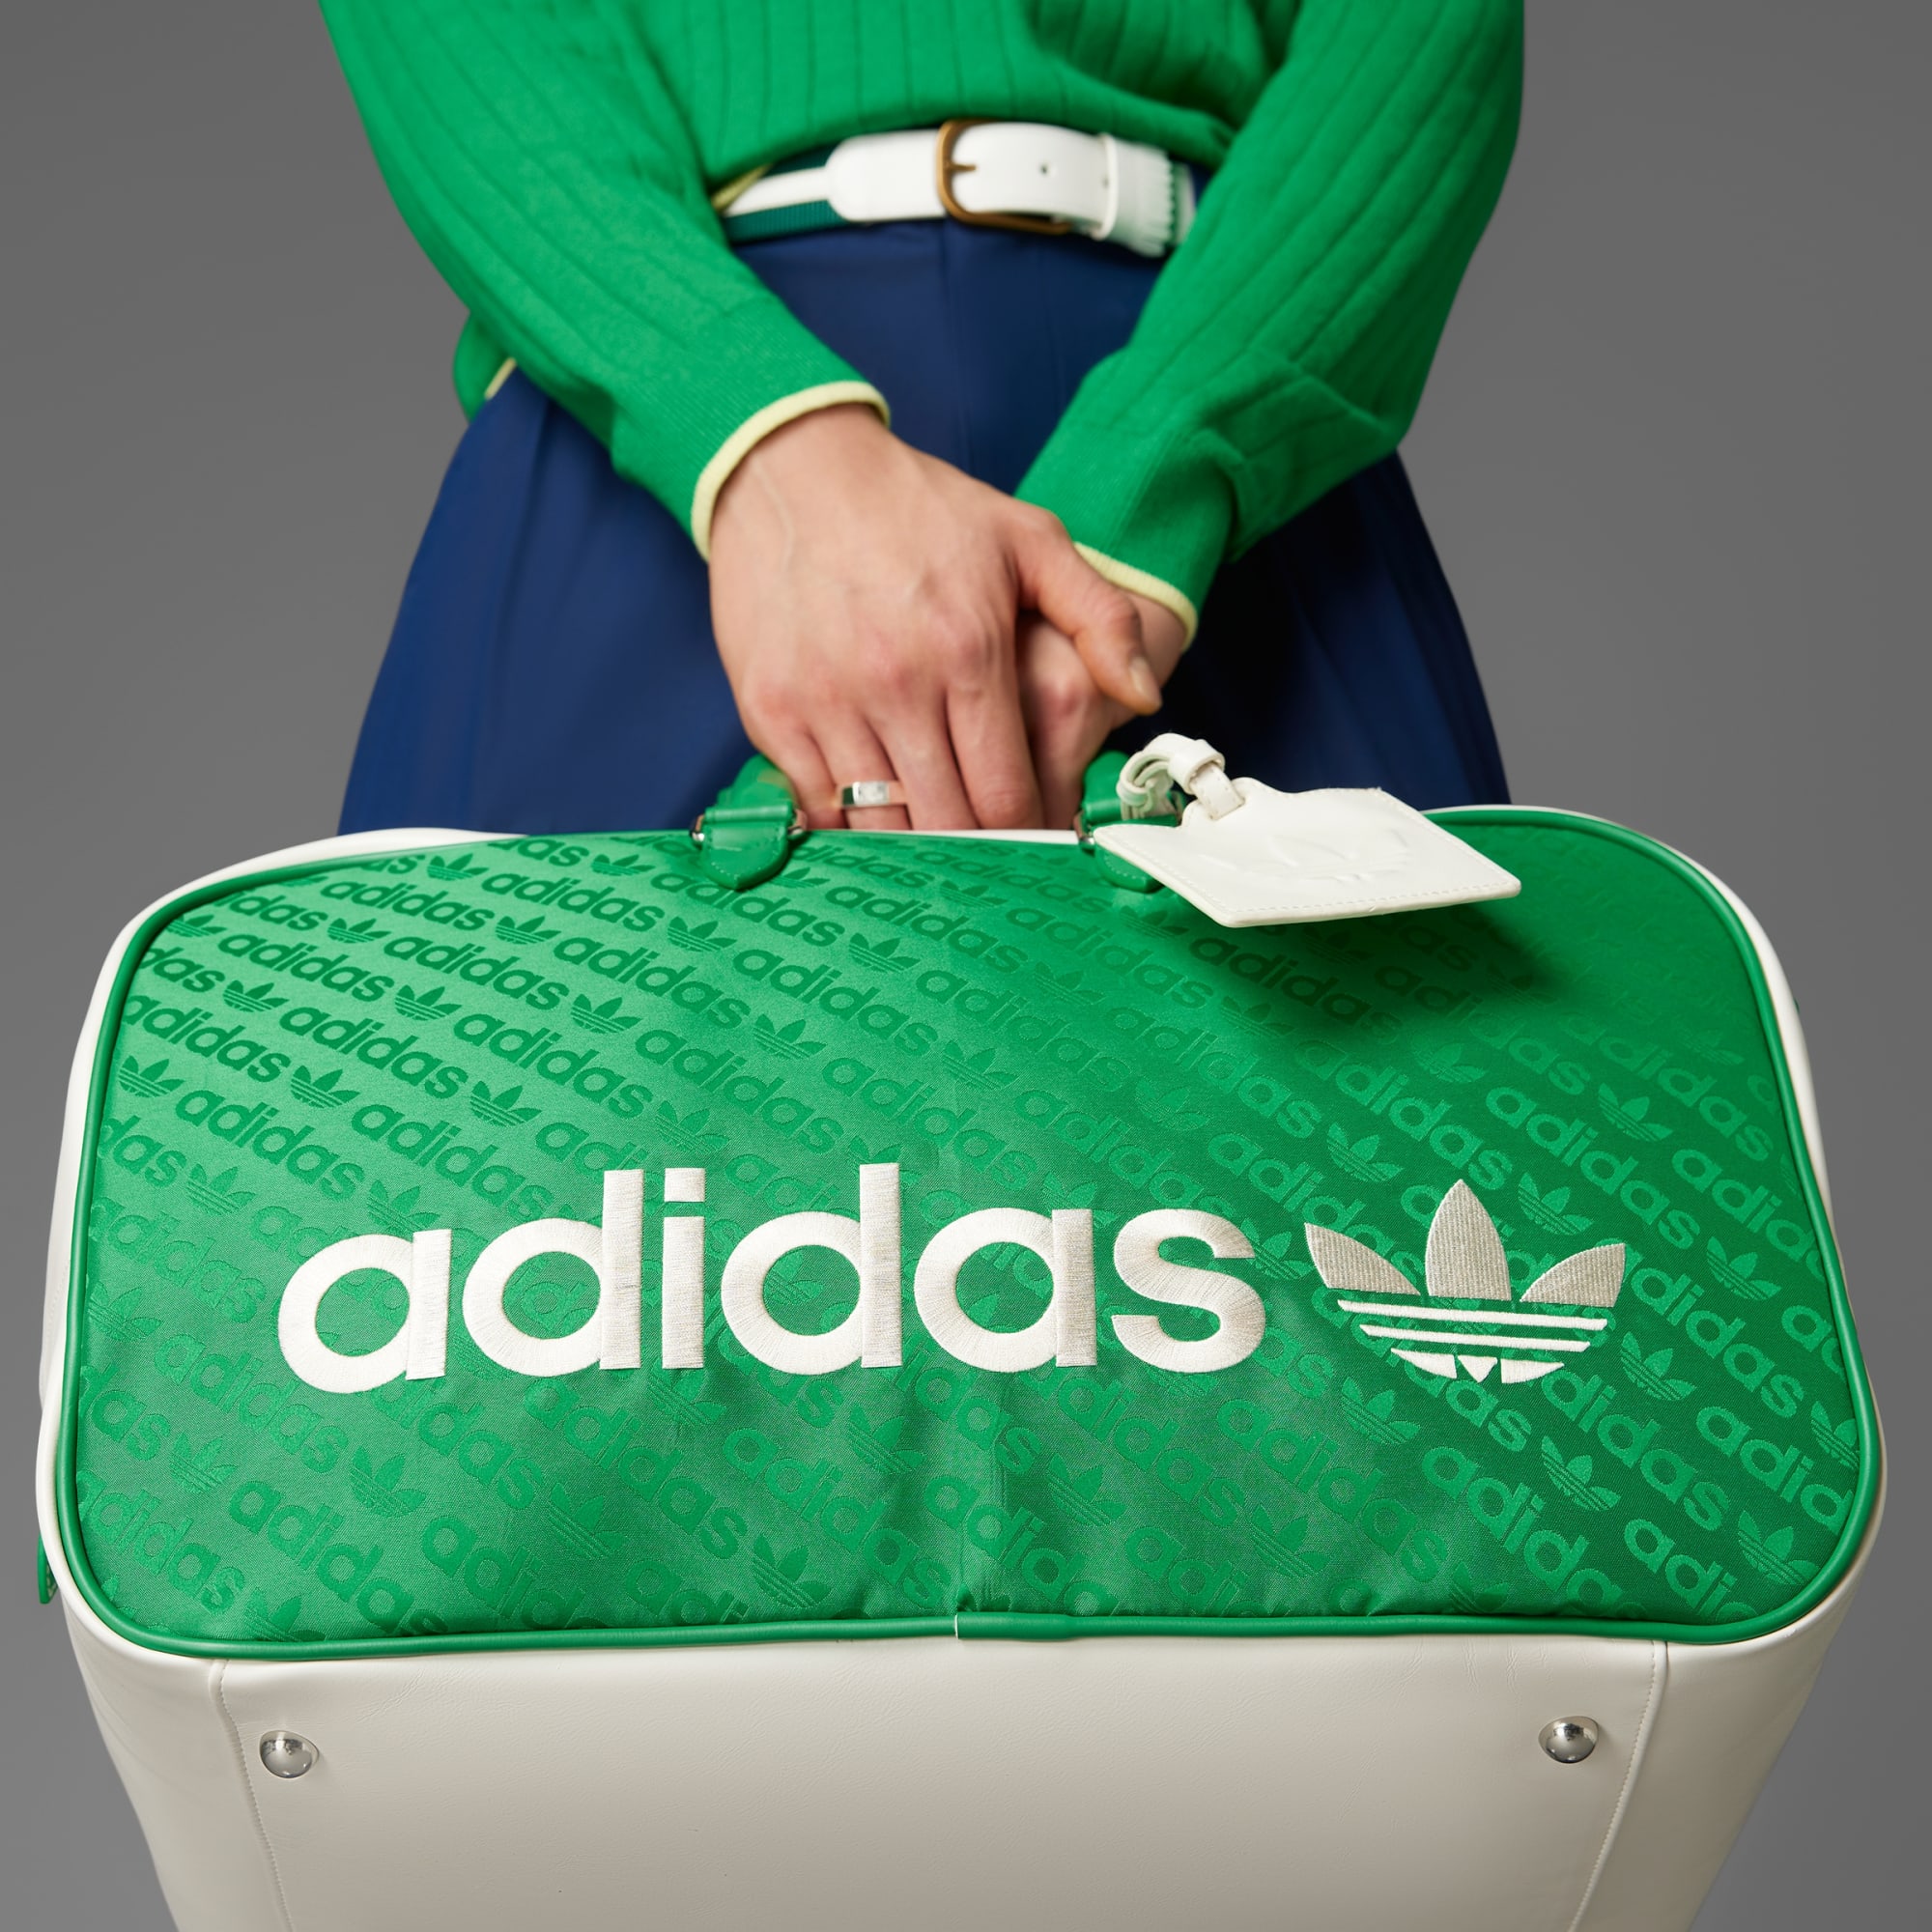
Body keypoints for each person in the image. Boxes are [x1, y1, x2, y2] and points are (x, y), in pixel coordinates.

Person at [322, 2, 1520, 839]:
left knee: (1391, 1108)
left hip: (1223, 395)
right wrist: (762, 438)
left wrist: (1162, 478)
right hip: (676, 438)